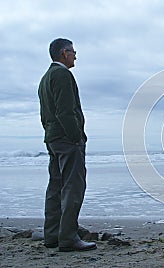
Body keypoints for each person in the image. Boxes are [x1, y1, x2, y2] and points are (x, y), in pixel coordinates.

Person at [38, 38, 96, 252]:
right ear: (64, 53)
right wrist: (76, 136)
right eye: (73, 51)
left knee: (56, 186)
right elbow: (66, 111)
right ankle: (68, 237)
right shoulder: (62, 75)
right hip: (66, 139)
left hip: (53, 138)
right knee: (73, 186)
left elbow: (45, 114)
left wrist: (51, 134)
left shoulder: (45, 78)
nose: (75, 55)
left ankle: (52, 234)